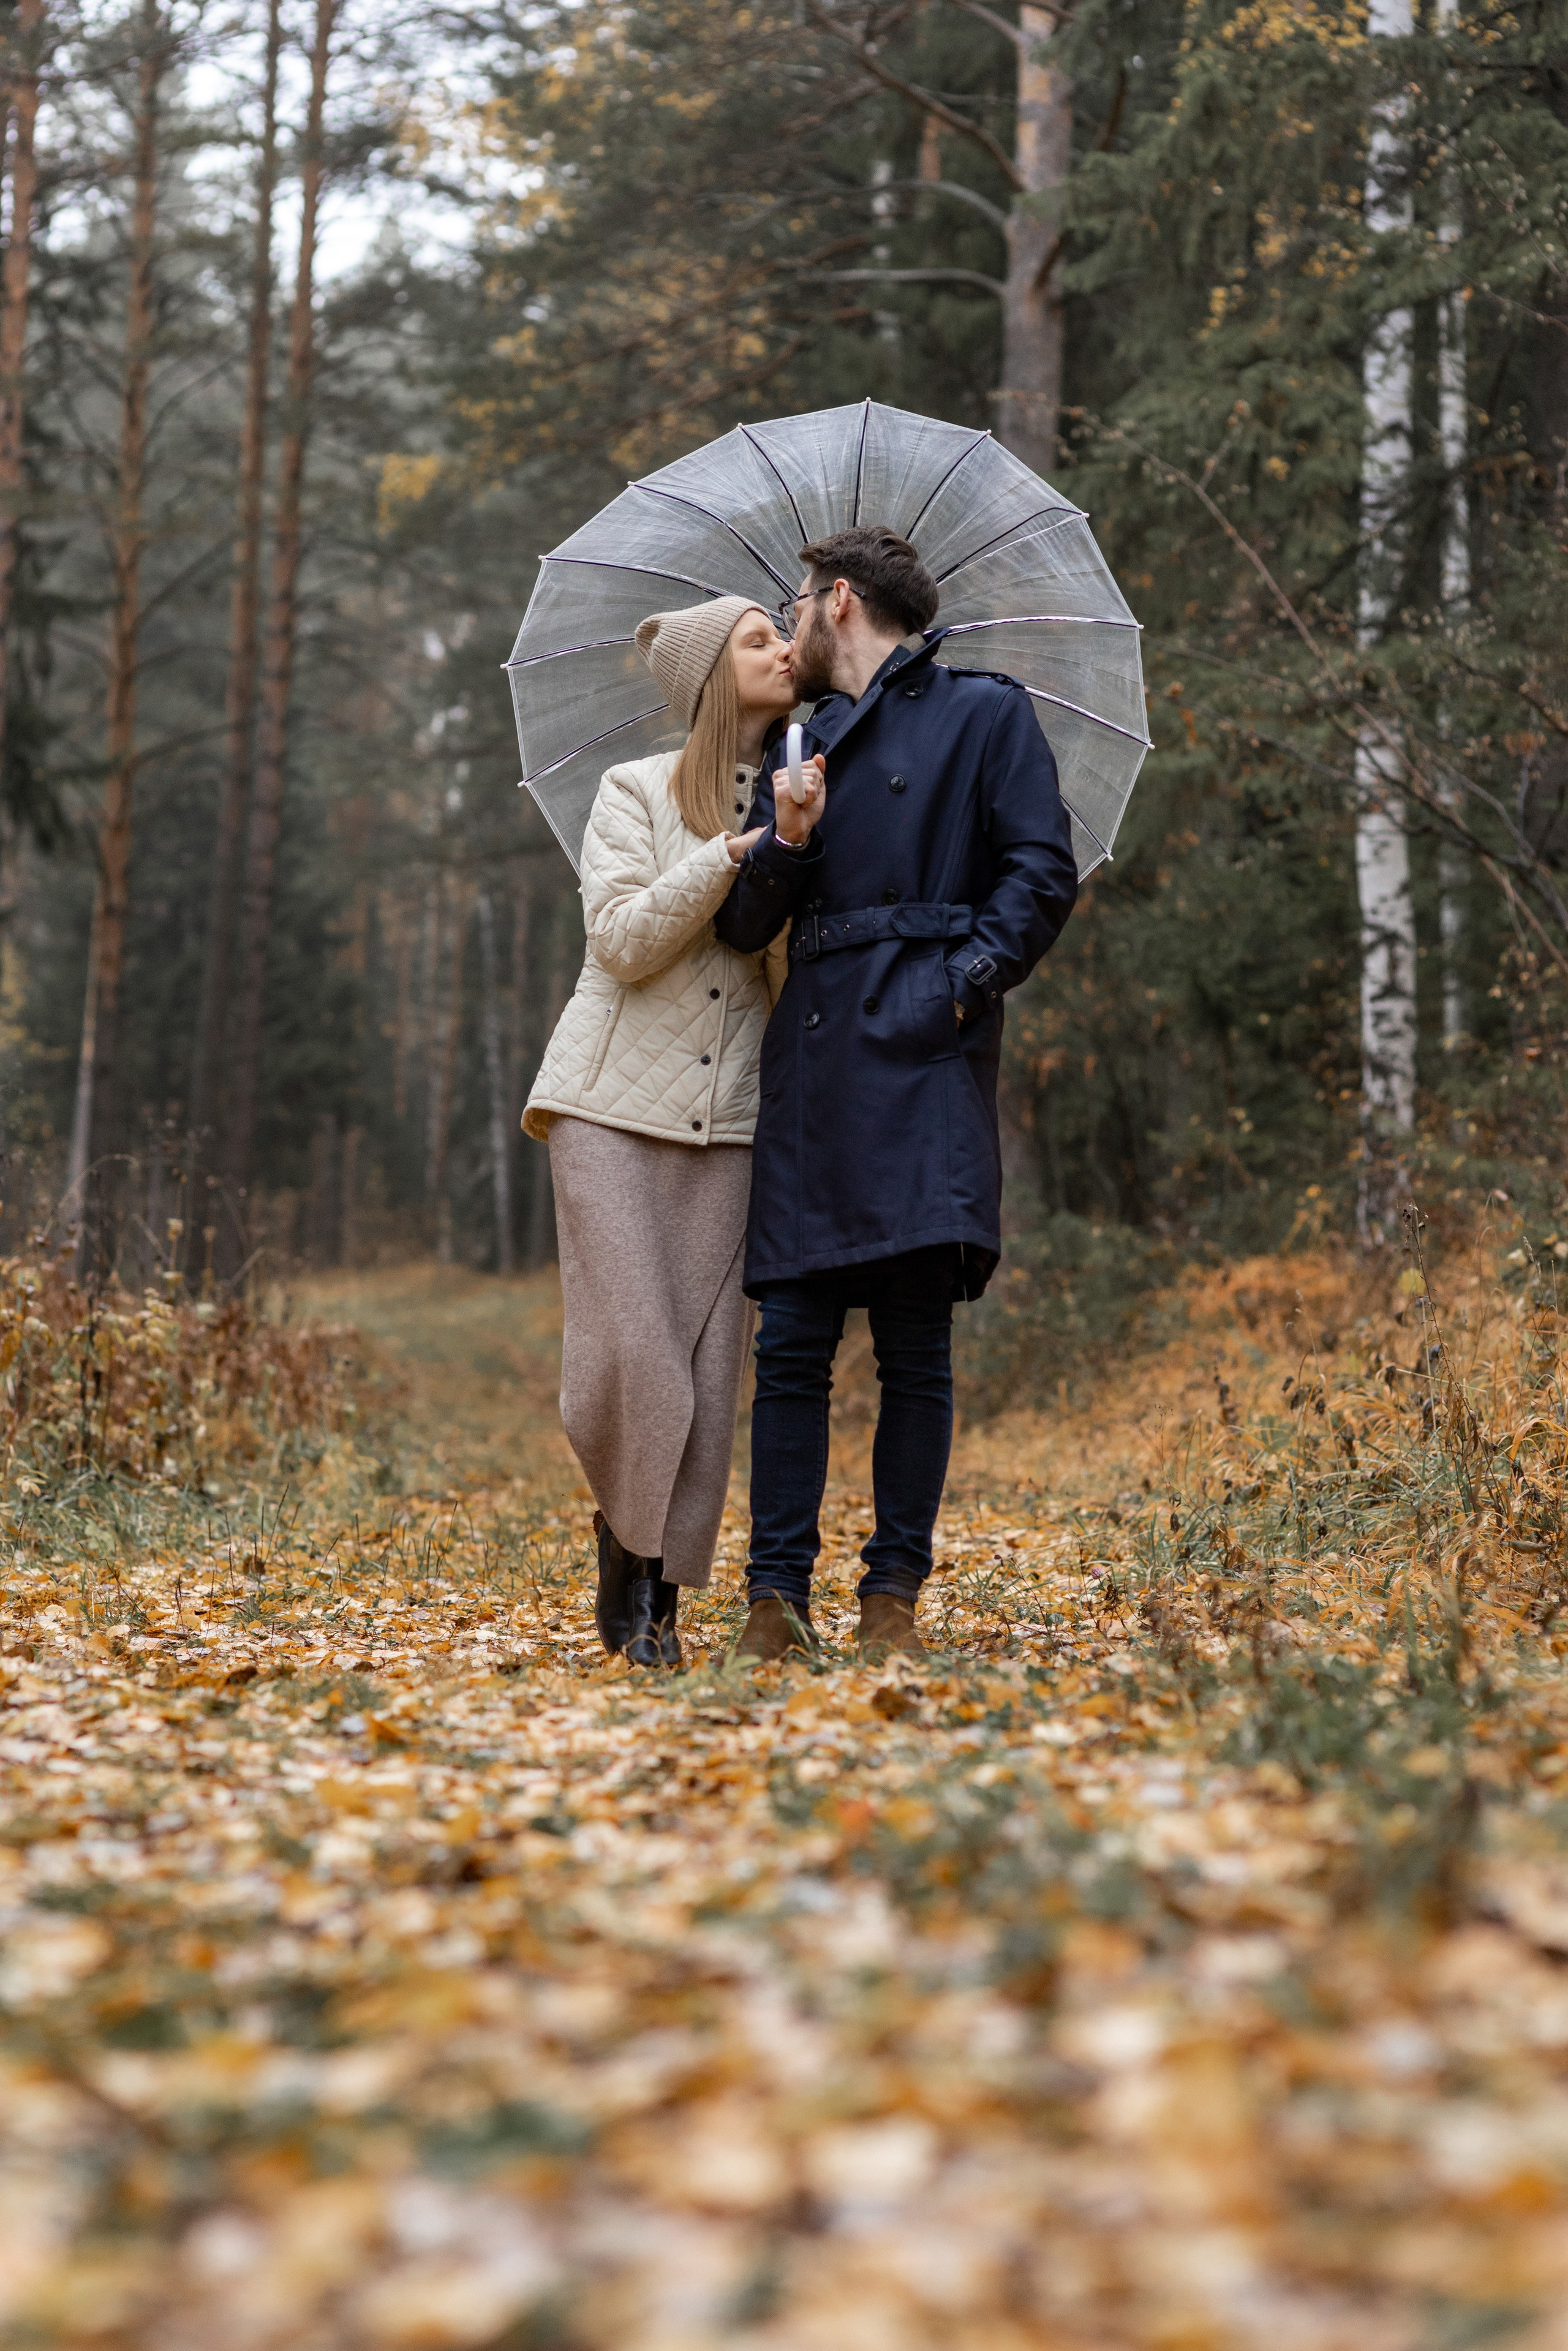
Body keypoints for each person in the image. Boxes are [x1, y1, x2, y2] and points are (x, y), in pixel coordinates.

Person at [714, 524, 1079, 1662]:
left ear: (839, 601)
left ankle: (892, 1604)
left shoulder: (986, 715)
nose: (789, 631)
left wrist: (960, 988)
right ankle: (775, 1604)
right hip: (817, 1059)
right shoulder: (798, 744)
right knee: (791, 1345)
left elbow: (1041, 873)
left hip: (926, 1054)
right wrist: (786, 839)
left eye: (797, 606)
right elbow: (744, 926)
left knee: (916, 1344)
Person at [524, 597, 826, 1667]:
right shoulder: (634, 789)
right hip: (606, 1105)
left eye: (783, 636)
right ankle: (626, 1534)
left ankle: (654, 1597)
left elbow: (786, 977)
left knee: (702, 1379)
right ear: (707, 677)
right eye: (759, 640)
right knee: (634, 1361)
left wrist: (792, 848)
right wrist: (733, 854)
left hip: (731, 1124)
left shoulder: (804, 796)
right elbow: (621, 939)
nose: (785, 650)